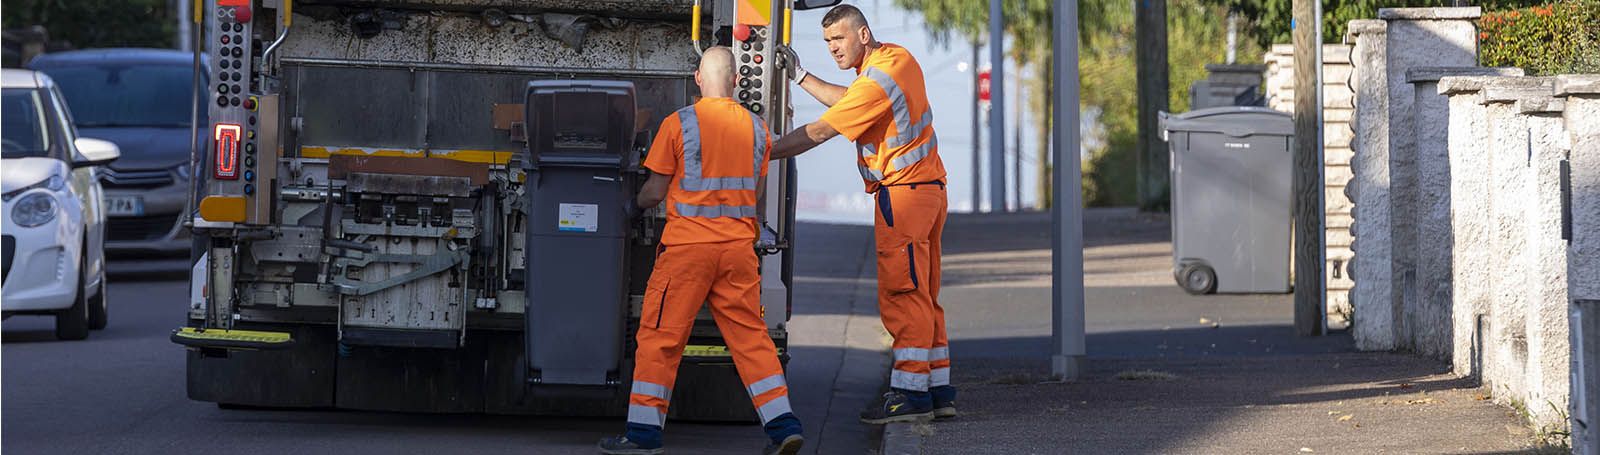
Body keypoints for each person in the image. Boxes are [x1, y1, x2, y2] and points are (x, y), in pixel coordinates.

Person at [598, 46, 804, 455]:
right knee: (750, 339)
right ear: (734, 82)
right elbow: (756, 199)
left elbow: (655, 191)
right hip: (737, 253)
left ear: (697, 78)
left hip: (688, 252)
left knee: (661, 338)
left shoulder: (679, 124)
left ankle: (642, 435)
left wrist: (629, 206)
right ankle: (783, 426)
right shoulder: (757, 129)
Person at [769, 4, 955, 425]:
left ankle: (909, 396)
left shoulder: (875, 82)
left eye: (840, 39)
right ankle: (938, 389)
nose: (833, 49)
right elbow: (851, 102)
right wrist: (801, 76)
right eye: (828, 42)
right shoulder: (897, 60)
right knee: (923, 293)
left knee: (902, 294)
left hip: (903, 197)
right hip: (927, 191)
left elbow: (821, 130)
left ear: (863, 35)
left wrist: (762, 152)